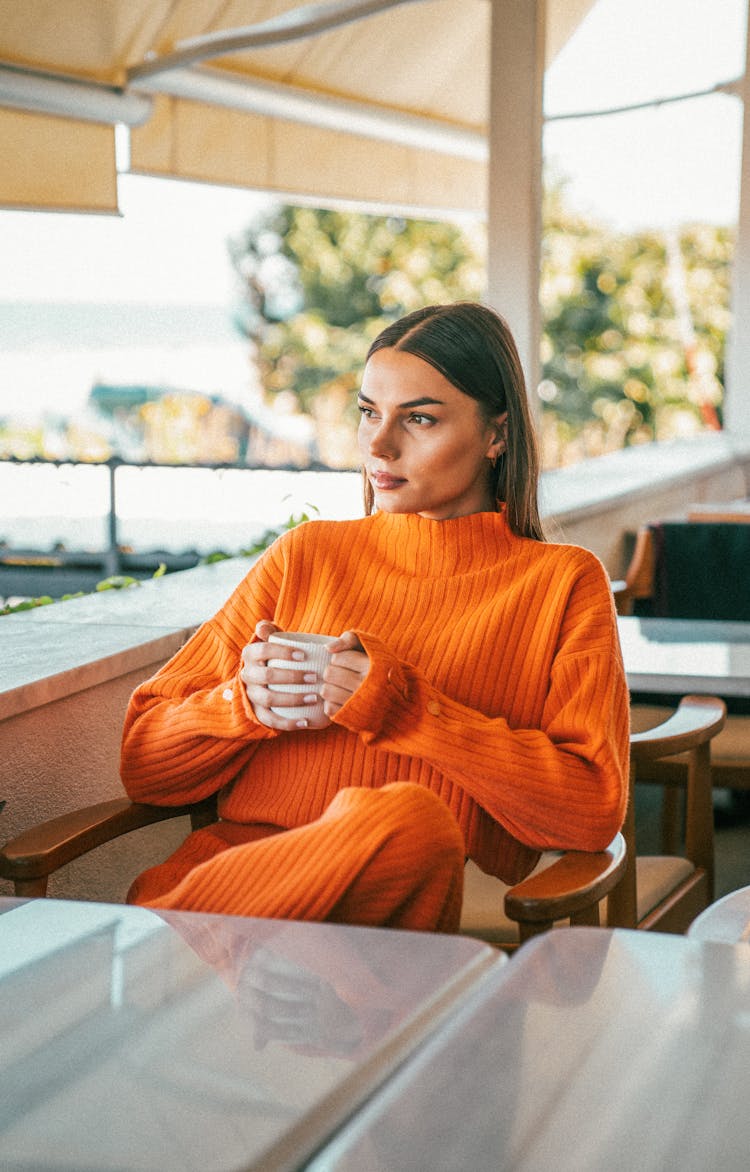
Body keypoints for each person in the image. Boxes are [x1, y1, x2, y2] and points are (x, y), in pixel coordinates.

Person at [120, 302, 629, 932]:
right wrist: (242, 705)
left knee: (411, 823)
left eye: (419, 418)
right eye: (368, 413)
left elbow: (590, 811)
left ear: (496, 435)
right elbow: (143, 765)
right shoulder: (306, 554)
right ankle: (235, 959)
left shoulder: (561, 582)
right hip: (247, 883)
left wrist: (411, 712)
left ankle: (179, 951)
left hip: (403, 902)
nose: (378, 445)